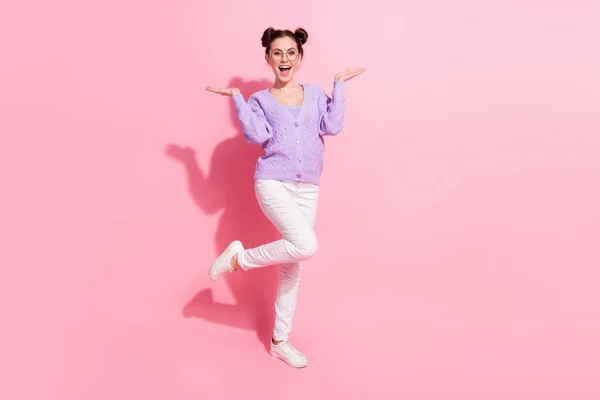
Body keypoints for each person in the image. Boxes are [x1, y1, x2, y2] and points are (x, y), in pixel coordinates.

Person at [205, 26, 365, 368]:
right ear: (267, 58)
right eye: (277, 53)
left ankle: (280, 341)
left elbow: (332, 127)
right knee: (306, 245)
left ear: (300, 57)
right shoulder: (260, 100)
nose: (284, 59)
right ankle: (239, 259)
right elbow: (256, 135)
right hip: (272, 182)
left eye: (290, 52)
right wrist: (238, 99)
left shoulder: (317, 93)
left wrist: (338, 86)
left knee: (294, 266)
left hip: (308, 187)